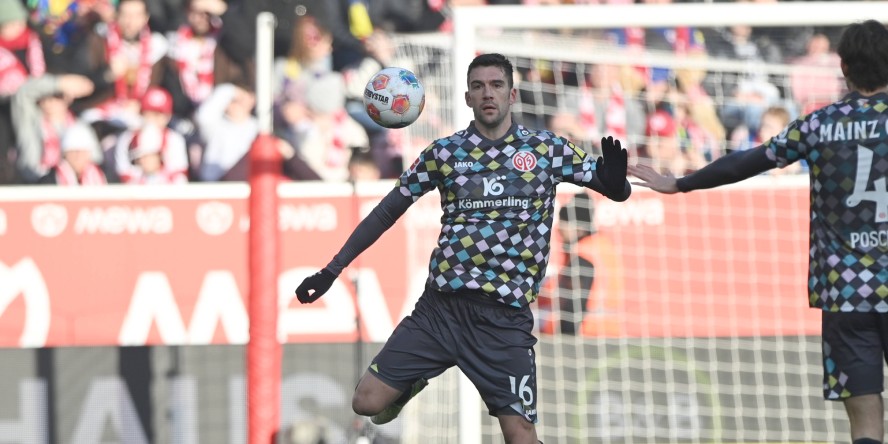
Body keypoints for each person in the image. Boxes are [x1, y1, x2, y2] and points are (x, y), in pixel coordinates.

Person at [295, 53, 631, 444]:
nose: (488, 93)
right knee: (366, 402)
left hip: (504, 320)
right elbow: (386, 212)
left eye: (496, 85)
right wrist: (331, 269)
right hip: (441, 310)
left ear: (512, 94)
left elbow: (614, 188)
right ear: (468, 97)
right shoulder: (444, 153)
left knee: (521, 435)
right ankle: (415, 379)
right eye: (478, 86)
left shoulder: (546, 149)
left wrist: (617, 184)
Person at [628, 20, 888, 444]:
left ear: (843, 67)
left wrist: (680, 182)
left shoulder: (820, 125)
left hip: (845, 293)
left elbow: (748, 161)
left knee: (864, 424)